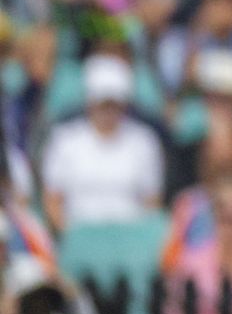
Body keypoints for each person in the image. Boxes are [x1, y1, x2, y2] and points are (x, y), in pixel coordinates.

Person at [39, 55, 163, 230]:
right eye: (103, 104)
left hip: (130, 241)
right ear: (90, 101)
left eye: (114, 104)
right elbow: (52, 200)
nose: (108, 111)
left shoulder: (144, 141)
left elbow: (151, 202)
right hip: (79, 238)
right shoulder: (65, 140)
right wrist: (75, 239)